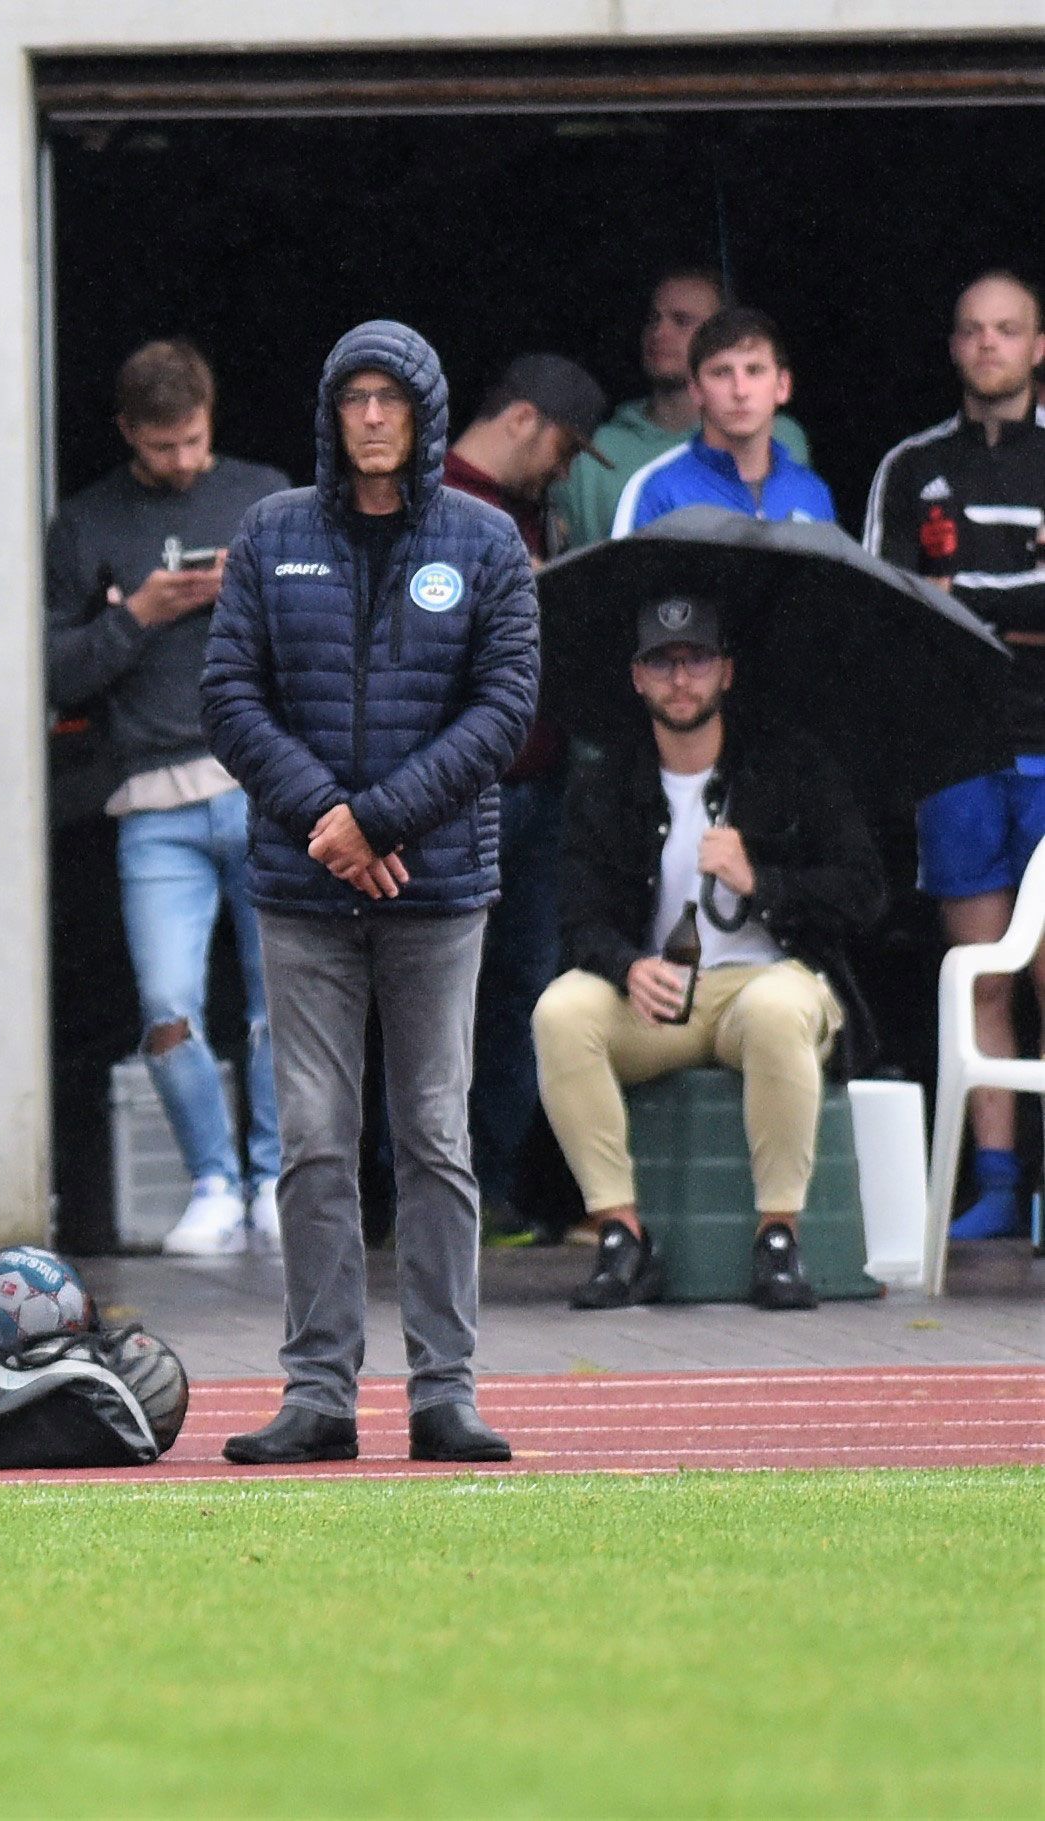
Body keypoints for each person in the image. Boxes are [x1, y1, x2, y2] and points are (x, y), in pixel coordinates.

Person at [201, 320, 539, 1466]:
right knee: (312, 1140)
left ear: (427, 412)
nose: (376, 416)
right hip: (304, 889)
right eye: (356, 397)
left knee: (436, 1136)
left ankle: (445, 1391)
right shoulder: (269, 534)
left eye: (395, 397)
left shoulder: (489, 543)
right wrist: (324, 824)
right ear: (332, 412)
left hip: (436, 888)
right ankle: (320, 1394)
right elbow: (229, 698)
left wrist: (379, 819)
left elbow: (504, 710)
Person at [533, 596, 881, 1313]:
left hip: (766, 982)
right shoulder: (607, 779)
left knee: (778, 1007)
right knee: (560, 1010)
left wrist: (763, 881)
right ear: (636, 677)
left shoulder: (789, 763)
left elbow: (865, 893)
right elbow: (577, 919)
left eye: (695, 660)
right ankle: (620, 1233)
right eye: (661, 662)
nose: (680, 679)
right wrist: (627, 964)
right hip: (663, 996)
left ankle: (778, 1235)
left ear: (725, 671)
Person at [42, 338, 292, 1257]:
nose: (182, 462)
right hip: (150, 798)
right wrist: (137, 615)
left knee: (283, 997)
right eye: (160, 448)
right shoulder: (86, 523)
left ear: (211, 419)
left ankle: (274, 1177)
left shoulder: (264, 496)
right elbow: (54, 672)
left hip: (262, 784)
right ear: (124, 435)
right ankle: (212, 1180)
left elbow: (325, 633)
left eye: (192, 441)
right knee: (165, 1000)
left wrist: (250, 594)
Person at [863, 270, 1045, 1239]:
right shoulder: (911, 465)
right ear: (953, 346)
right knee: (980, 972)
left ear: (1038, 345)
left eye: (1007, 330)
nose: (989, 346)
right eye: (972, 330)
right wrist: (1009, 607)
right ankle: (999, 1183)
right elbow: (890, 613)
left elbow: (961, 610)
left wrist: (972, 608)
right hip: (953, 751)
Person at [440, 353, 609, 1243]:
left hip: (541, 784)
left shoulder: (529, 512)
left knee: (523, 993)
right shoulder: (428, 498)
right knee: (438, 994)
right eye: (564, 447)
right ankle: (421, 1195)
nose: (565, 468)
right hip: (460, 791)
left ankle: (492, 1188)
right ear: (521, 420)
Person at [549, 269, 813, 552]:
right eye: (653, 319)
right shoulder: (595, 451)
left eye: (682, 321)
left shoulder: (777, 434)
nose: (659, 332)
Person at [611, 307, 835, 535]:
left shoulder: (812, 492)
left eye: (754, 370)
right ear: (695, 389)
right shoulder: (656, 490)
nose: (740, 390)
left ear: (782, 386)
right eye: (721, 373)